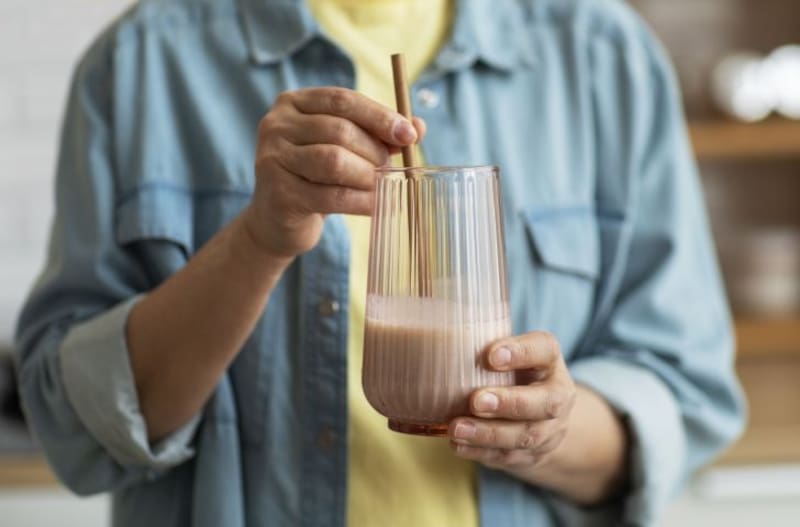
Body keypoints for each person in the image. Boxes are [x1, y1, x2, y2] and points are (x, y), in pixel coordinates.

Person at [14, 0, 745, 526]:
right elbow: (75, 424)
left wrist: (551, 430)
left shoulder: (603, 54)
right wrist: (258, 240)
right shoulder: (141, 62)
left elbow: (682, 391)